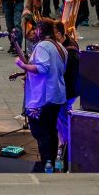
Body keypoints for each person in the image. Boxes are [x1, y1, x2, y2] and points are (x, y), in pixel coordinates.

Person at [16, 17, 67, 173]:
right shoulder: (60, 46)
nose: (34, 31)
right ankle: (51, 163)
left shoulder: (43, 46)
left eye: (36, 29)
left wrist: (23, 65)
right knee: (51, 130)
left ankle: (46, 163)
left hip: (44, 97)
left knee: (41, 131)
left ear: (40, 30)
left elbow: (43, 68)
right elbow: (60, 69)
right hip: (57, 95)